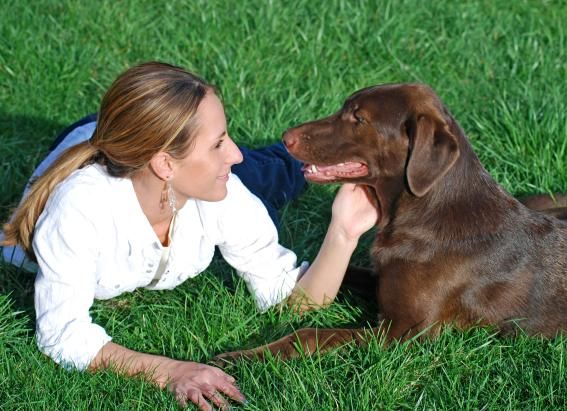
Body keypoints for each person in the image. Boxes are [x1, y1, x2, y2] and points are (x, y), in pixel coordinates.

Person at [0, 61, 377, 410]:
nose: (234, 154)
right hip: (107, 138)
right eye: (218, 144)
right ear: (165, 164)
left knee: (273, 174)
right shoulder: (79, 211)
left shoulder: (221, 193)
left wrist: (343, 232)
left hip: (147, 142)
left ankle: (281, 158)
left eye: (225, 137)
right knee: (255, 174)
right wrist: (172, 371)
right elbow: (62, 335)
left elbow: (291, 300)